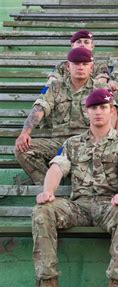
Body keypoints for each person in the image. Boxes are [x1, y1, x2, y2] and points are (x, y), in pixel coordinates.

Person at [28, 88, 118, 287]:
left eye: (103, 107)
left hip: (110, 204)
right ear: (86, 112)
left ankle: (116, 284)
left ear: (111, 111)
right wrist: (48, 191)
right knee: (43, 210)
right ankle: (48, 283)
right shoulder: (73, 143)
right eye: (93, 108)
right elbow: (57, 168)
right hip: (79, 206)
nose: (98, 112)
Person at [15, 47, 107, 184]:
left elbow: (112, 115)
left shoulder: (100, 89)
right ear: (68, 66)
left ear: (91, 68)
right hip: (58, 143)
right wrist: (25, 133)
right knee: (22, 150)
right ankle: (48, 185)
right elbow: (40, 108)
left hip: (88, 142)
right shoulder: (55, 87)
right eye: (76, 64)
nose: (80, 67)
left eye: (85, 64)